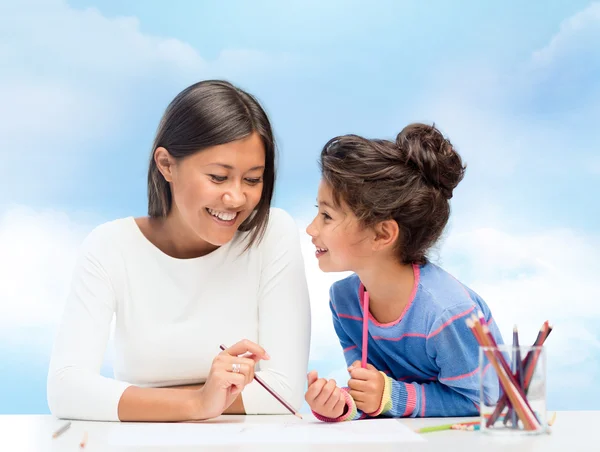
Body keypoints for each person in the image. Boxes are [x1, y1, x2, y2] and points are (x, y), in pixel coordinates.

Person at [47, 80, 311, 422]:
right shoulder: (111, 247)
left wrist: (137, 400)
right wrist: (199, 403)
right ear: (167, 165)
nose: (236, 198)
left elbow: (285, 392)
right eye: (218, 177)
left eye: (252, 180)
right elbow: (66, 389)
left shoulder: (272, 235)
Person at [304, 123, 504, 421]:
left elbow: (486, 401)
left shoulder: (447, 313)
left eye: (327, 216)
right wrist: (342, 404)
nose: (311, 228)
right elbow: (373, 392)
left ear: (382, 234)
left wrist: (389, 396)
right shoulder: (344, 301)